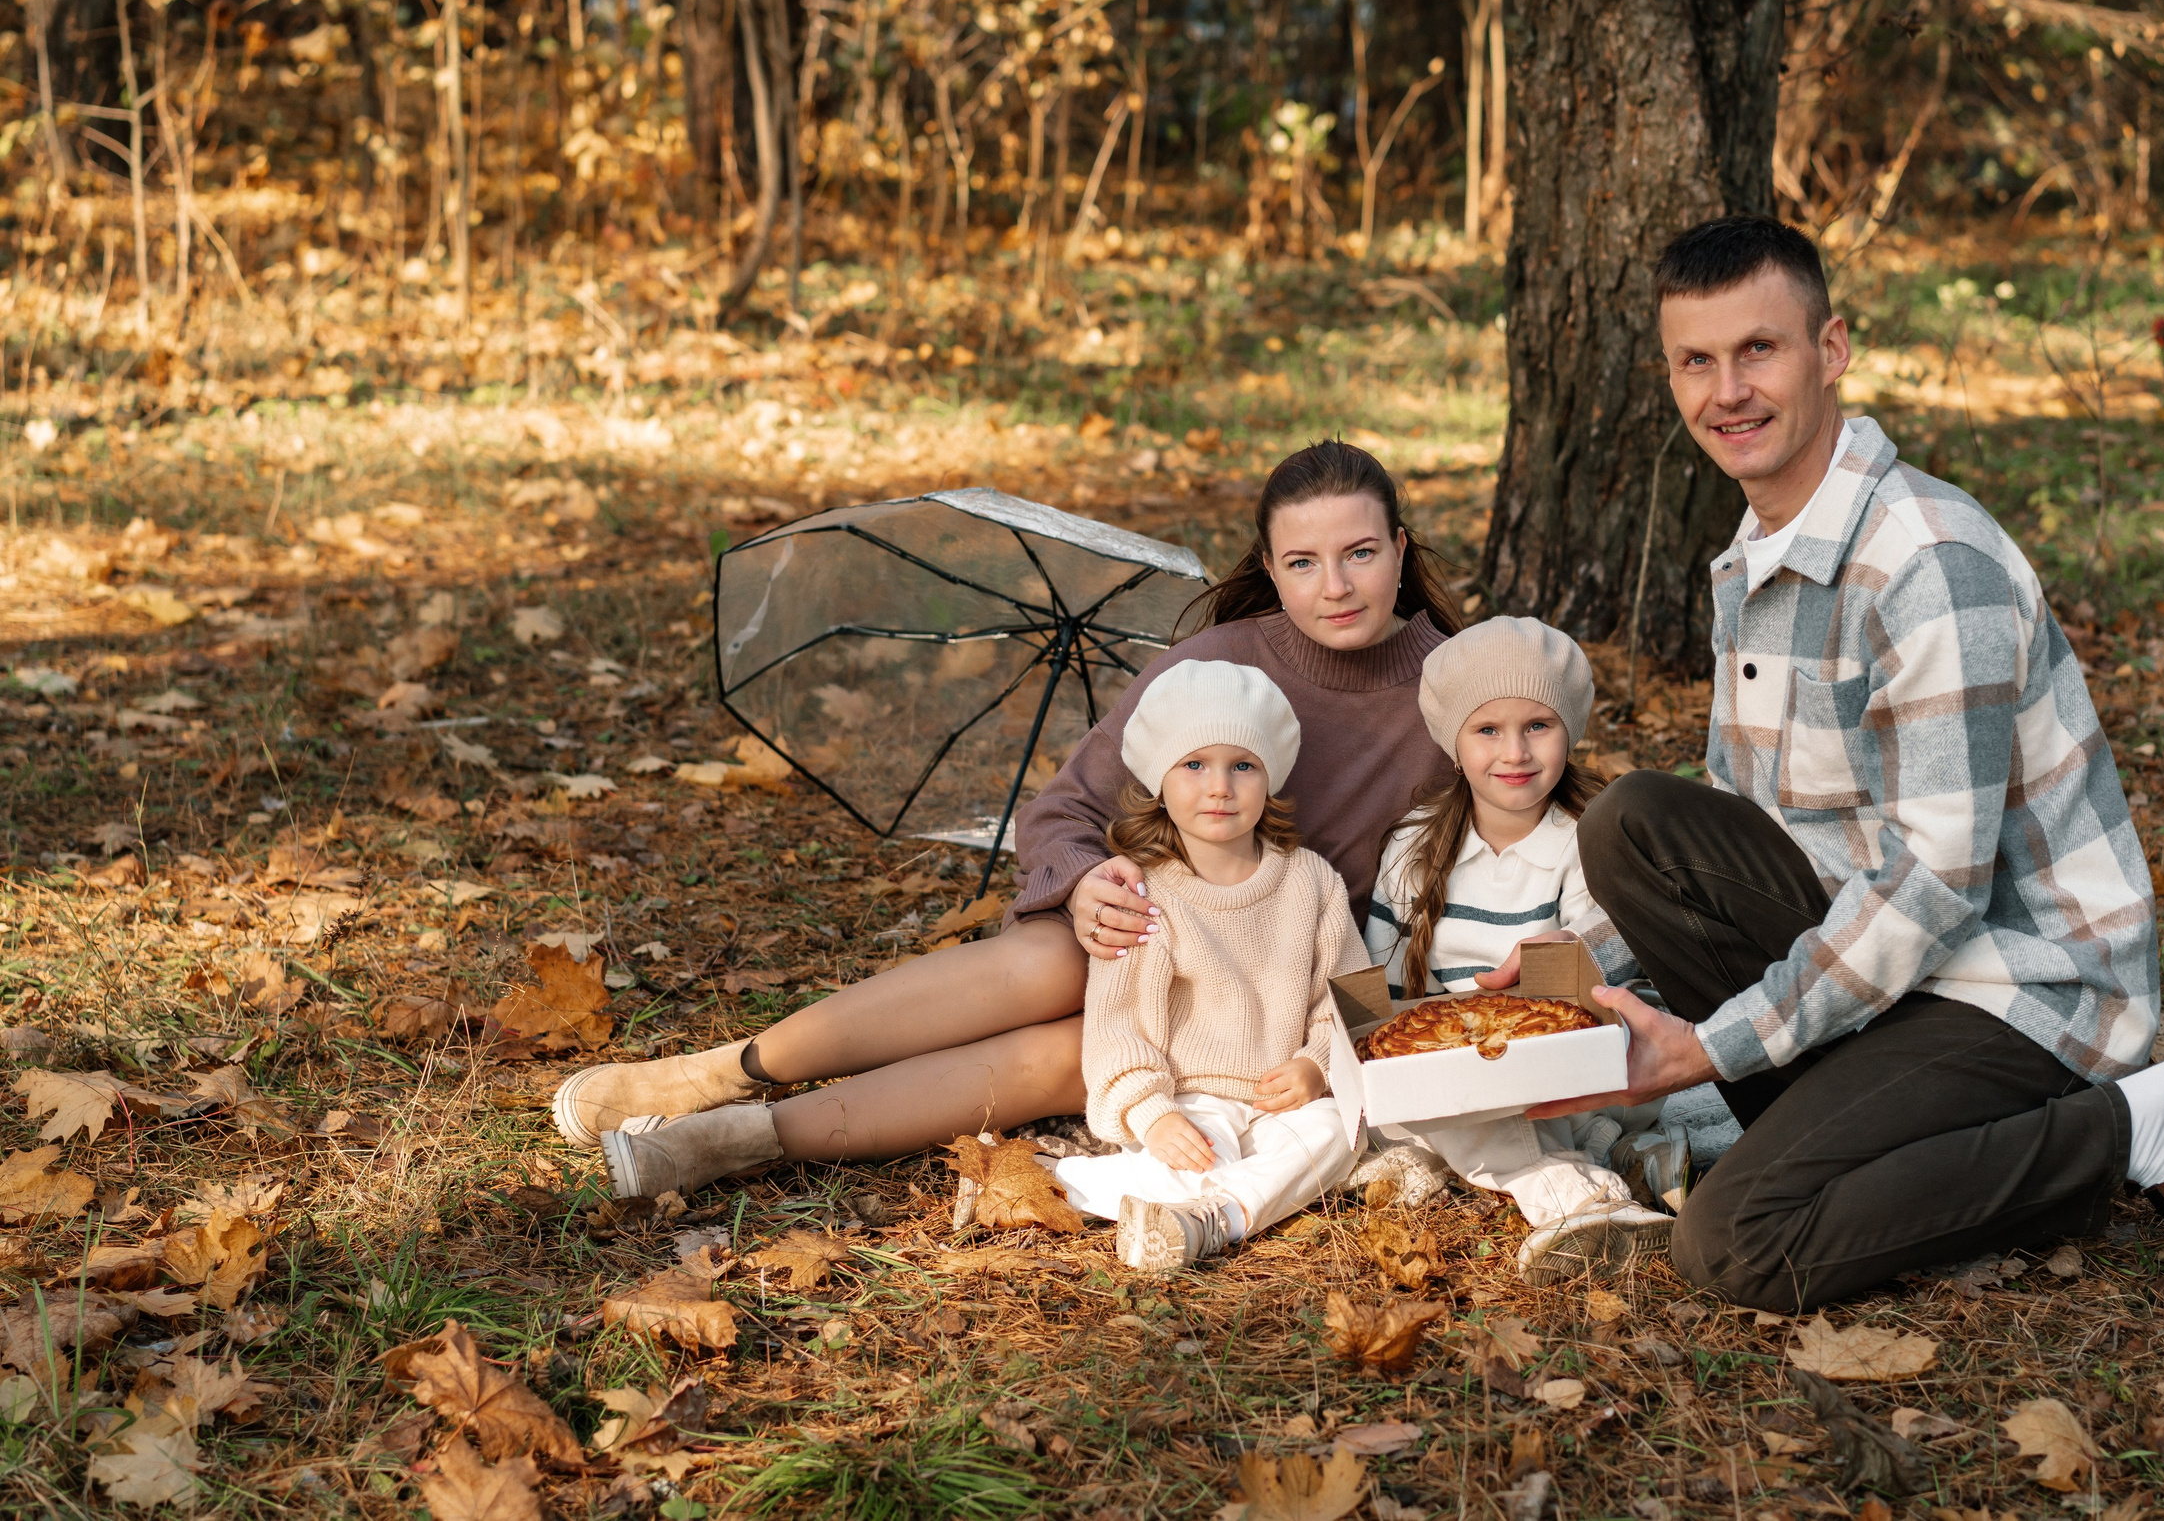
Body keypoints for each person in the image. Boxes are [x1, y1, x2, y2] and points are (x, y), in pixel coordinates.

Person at [1535, 215, 2164, 1314]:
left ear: (1830, 349)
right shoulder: (1759, 547)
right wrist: (1568, 977)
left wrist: (1715, 1048)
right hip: (1884, 957)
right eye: (1696, 360)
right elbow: (1740, 815)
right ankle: (1887, 1136)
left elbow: (1938, 883)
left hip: (2020, 986)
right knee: (1633, 822)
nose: (1727, 392)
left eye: (1759, 350)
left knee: (1734, 1242)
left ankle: (2154, 1121)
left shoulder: (1927, 561)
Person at [558, 441, 1458, 1199]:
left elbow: (1464, 895)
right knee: (1050, 963)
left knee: (1063, 1059)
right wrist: (1084, 883)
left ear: (1400, 547)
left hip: (1277, 982)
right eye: (1302, 562)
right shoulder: (1220, 664)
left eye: (1360, 554)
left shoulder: (1458, 694)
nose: (1335, 586)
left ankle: (748, 1138)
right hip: (1148, 930)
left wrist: (1348, 1042)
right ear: (1267, 567)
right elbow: (1065, 809)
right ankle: (728, 1071)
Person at [1361, 617, 1675, 1281]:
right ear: (1452, 742)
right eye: (1487, 730)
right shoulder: (1415, 845)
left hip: (1572, 1071)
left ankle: (1581, 1202)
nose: (1515, 752)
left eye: (1538, 725)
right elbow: (1385, 1001)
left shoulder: (1588, 839)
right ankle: (1610, 1166)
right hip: (1448, 1078)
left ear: (1570, 730)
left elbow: (1594, 1000)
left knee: (1506, 1109)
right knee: (1440, 1107)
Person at [1039, 659, 1362, 1271]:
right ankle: (1055, 1183)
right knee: (1192, 1162)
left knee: (1340, 1133)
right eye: (1194, 765)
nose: (1220, 787)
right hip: (1189, 1098)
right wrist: (1153, 1116)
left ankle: (1207, 1218)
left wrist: (1316, 1065)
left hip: (1281, 1100)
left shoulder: (1311, 882)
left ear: (1271, 778)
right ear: (1159, 781)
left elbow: (1344, 998)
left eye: (1243, 765)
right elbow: (1117, 1027)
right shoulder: (1145, 895)